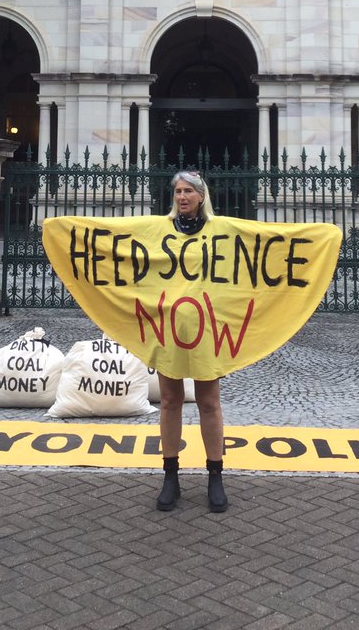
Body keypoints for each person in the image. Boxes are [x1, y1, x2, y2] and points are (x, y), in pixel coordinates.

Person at [155, 170, 228, 514]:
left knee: (208, 401)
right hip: (167, 327)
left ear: (201, 196)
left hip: (206, 328)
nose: (182, 197)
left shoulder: (219, 230)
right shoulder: (159, 231)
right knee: (169, 401)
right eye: (177, 191)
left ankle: (215, 475)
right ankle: (171, 476)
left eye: (188, 191)